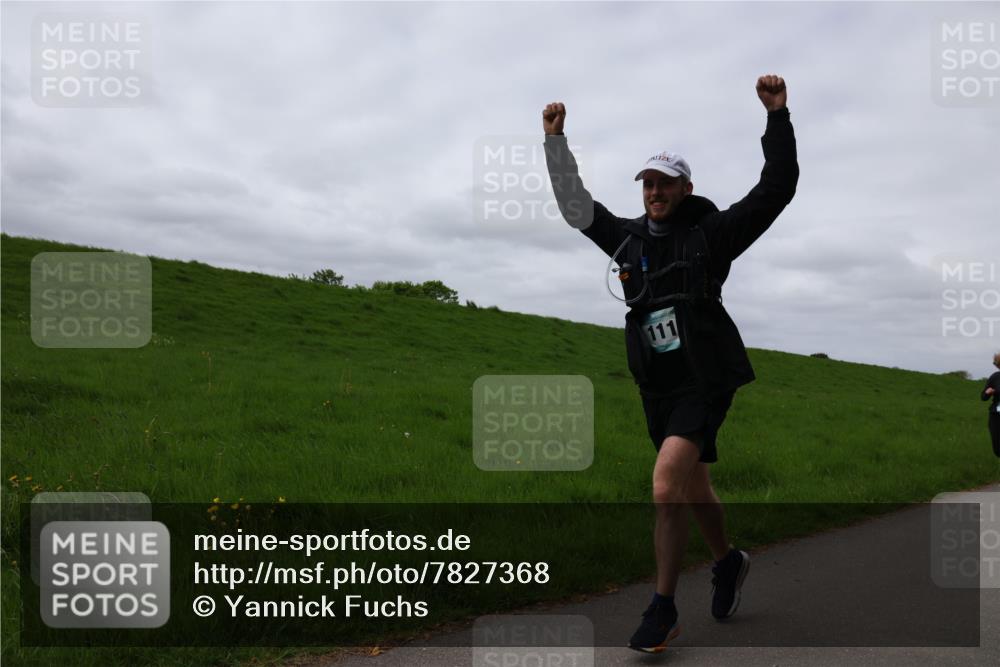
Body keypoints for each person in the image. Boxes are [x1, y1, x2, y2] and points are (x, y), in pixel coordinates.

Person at [542, 75, 799, 653]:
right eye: (647, 183)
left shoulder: (714, 234)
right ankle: (728, 563)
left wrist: (777, 117)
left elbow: (776, 188)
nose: (654, 191)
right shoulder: (628, 241)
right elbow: (576, 208)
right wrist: (555, 143)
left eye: (664, 183)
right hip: (656, 385)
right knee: (693, 486)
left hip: (706, 378)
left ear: (685, 187)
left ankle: (662, 610)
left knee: (665, 487)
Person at [982, 352, 1000, 457]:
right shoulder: (995, 377)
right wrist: (988, 392)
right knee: (997, 449)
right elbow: (983, 397)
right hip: (996, 416)